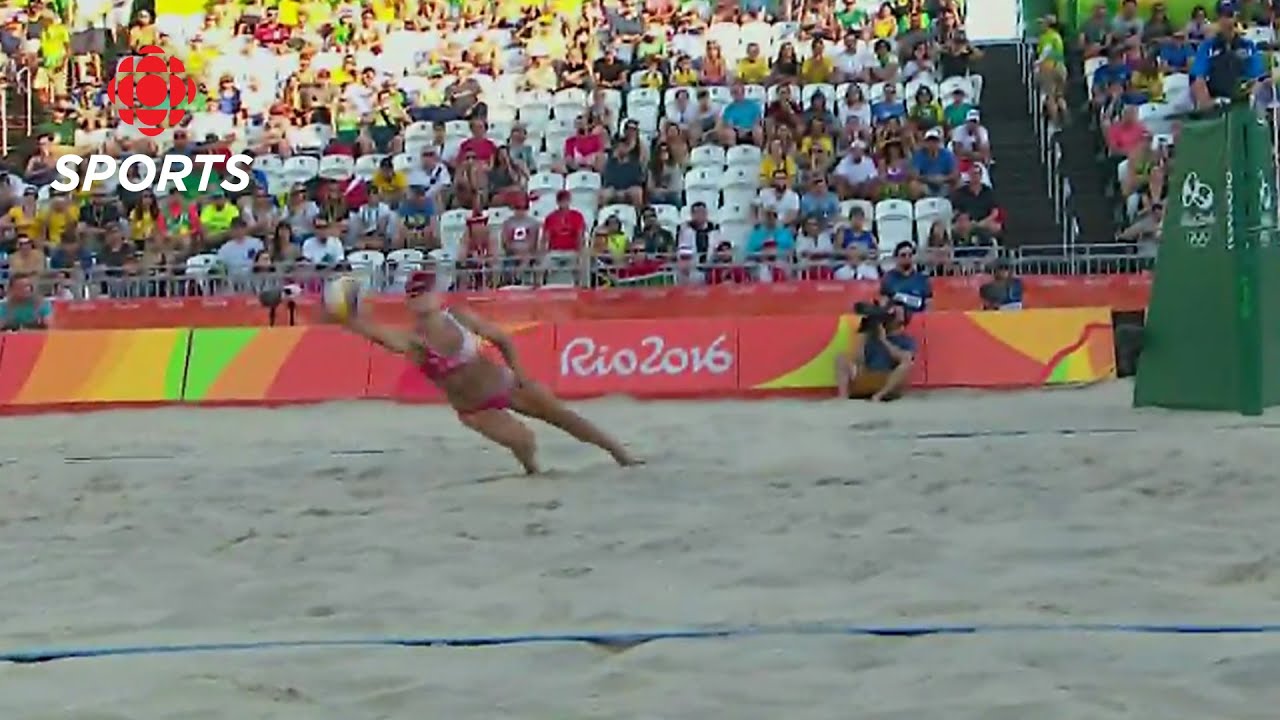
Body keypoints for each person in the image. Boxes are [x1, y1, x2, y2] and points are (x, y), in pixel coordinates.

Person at [329, 271, 639, 474]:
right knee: (524, 441)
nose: (421, 296)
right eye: (414, 293)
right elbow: (381, 337)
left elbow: (502, 338)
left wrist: (521, 374)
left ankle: (621, 456)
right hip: (474, 409)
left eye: (426, 290)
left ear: (437, 296)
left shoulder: (459, 317)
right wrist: (351, 321)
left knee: (567, 419)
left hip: (505, 384)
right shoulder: (416, 341)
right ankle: (534, 472)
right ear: (409, 303)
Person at [834, 301, 916, 402]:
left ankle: (879, 395)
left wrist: (884, 340)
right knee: (841, 357)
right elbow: (860, 360)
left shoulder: (906, 340)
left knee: (907, 363)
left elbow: (905, 358)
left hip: (887, 381)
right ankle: (843, 397)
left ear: (904, 319)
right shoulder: (871, 336)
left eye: (896, 313)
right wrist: (864, 332)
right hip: (868, 377)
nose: (890, 316)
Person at [1190, 1, 1266, 108]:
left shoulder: (1248, 46)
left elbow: (1258, 78)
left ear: (1236, 18)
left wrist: (1251, 99)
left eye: (1230, 15)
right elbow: (1198, 79)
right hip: (1217, 101)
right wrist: (1207, 103)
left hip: (1243, 101)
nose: (1226, 21)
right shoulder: (1207, 46)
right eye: (1222, 15)